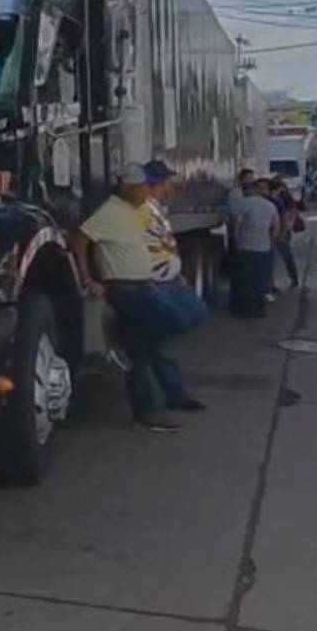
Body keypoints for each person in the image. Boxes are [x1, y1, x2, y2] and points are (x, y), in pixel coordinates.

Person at [73, 163, 203, 434]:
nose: (147, 191)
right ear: (128, 188)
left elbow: (154, 239)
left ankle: (157, 401)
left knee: (153, 342)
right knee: (171, 323)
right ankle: (146, 407)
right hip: (126, 289)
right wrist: (88, 279)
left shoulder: (137, 211)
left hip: (146, 286)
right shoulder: (110, 212)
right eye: (142, 187)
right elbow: (80, 239)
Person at [141, 159, 209, 333]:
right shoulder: (142, 211)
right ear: (157, 185)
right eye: (168, 184)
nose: (171, 189)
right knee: (188, 315)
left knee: (194, 313)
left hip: (166, 279)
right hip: (156, 282)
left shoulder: (156, 210)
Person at [230, 178, 280, 317]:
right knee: (260, 280)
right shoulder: (270, 206)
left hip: (245, 247)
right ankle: (258, 309)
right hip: (263, 248)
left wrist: (237, 240)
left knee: (244, 280)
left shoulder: (244, 204)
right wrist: (270, 241)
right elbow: (275, 227)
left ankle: (242, 309)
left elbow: (237, 223)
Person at [268, 177, 301, 289]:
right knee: (286, 256)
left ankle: (293, 279)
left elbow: (290, 212)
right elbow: (293, 210)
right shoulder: (281, 197)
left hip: (280, 229)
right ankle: (293, 279)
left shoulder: (282, 197)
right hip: (281, 229)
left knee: (282, 255)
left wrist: (286, 227)